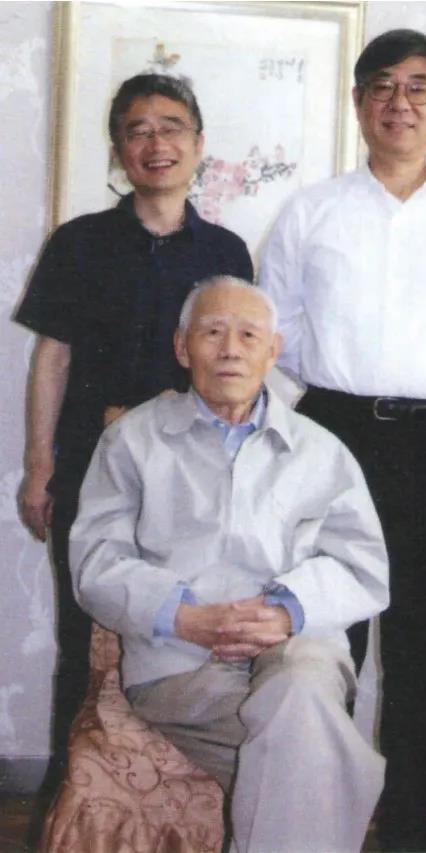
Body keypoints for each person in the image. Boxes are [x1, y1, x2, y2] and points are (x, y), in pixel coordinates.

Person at [258, 28, 426, 853]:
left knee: (425, 641)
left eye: (417, 87)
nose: (400, 103)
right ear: (358, 100)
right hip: (335, 435)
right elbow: (278, 329)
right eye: (382, 87)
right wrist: (349, 388)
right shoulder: (313, 211)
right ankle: (321, 820)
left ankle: (405, 825)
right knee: (327, 636)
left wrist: (423, 376)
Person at [69, 276, 389, 853]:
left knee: (300, 694)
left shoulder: (321, 450)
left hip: (297, 648)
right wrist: (182, 616)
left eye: (248, 335)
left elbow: (362, 566)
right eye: (212, 332)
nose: (230, 350)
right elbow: (95, 562)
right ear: (182, 346)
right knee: (313, 752)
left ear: (274, 350)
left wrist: (287, 611)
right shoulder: (132, 441)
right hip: (179, 661)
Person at [14, 74, 253, 817]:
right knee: (83, 634)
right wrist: (39, 468)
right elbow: (52, 358)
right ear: (119, 148)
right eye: (138, 129)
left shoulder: (226, 251)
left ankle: (182, 811)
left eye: (171, 126)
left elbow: (236, 369)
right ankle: (70, 804)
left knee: (181, 630)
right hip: (92, 470)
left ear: (199, 143)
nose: (157, 143)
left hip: (192, 476)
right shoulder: (79, 243)